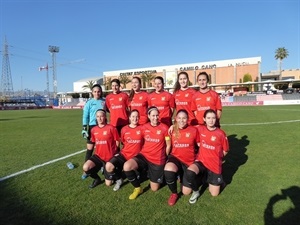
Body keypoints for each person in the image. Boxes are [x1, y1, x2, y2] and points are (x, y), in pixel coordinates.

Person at [123, 106, 171, 200]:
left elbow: (168, 145)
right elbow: (133, 132)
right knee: (127, 166)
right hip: (144, 156)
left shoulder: (164, 128)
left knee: (154, 188)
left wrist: (164, 157)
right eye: (153, 115)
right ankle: (138, 188)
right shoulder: (144, 127)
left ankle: (158, 174)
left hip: (157, 160)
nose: (155, 118)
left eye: (157, 115)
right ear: (148, 116)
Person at [186, 109, 229, 204]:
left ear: (216, 119)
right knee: (189, 173)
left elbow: (225, 150)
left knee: (214, 194)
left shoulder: (221, 133)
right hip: (201, 161)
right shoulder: (199, 129)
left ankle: (220, 181)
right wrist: (173, 126)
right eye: (208, 118)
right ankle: (196, 192)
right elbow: (186, 127)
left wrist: (217, 158)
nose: (211, 120)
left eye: (213, 118)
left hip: (214, 165)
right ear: (204, 119)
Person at [164, 109, 200, 206]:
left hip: (189, 162)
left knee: (186, 192)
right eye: (179, 118)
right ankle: (174, 193)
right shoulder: (171, 130)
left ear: (188, 119)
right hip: (175, 158)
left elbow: (200, 145)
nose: (181, 120)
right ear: (175, 119)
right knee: (168, 169)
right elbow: (168, 145)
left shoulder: (194, 130)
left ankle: (183, 175)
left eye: (184, 118)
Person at [105, 110, 143, 191]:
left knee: (139, 177)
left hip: (136, 157)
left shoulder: (142, 128)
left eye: (137, 117)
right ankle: (119, 179)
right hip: (124, 154)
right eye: (133, 116)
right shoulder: (124, 129)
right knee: (108, 166)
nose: (135, 118)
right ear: (129, 118)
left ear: (139, 118)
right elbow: (123, 142)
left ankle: (138, 172)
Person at [82, 109, 120, 189]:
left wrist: (115, 153)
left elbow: (117, 141)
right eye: (98, 116)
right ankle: (97, 179)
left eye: (101, 116)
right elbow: (94, 142)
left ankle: (114, 172)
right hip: (98, 156)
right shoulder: (93, 130)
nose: (99, 118)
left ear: (105, 117)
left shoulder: (111, 128)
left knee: (108, 184)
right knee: (86, 167)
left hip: (109, 157)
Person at [81, 84, 106, 179]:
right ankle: (86, 171)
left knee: (103, 147)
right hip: (92, 127)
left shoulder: (104, 102)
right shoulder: (89, 102)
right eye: (95, 91)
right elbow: (85, 115)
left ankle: (103, 166)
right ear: (92, 92)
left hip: (102, 127)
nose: (97, 93)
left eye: (98, 91)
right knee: (90, 149)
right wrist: (84, 128)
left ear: (101, 92)